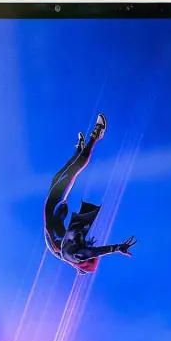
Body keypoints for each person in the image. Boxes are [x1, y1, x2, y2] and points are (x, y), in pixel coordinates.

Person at [43, 114, 138, 274]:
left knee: (68, 175)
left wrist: (116, 248)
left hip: (53, 216)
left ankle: (95, 136)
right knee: (61, 177)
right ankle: (83, 148)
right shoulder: (74, 255)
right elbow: (89, 254)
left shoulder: (74, 256)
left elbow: (92, 253)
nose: (87, 249)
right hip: (54, 220)